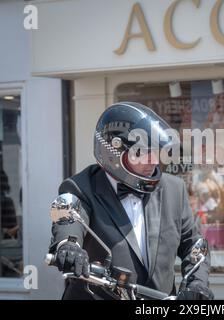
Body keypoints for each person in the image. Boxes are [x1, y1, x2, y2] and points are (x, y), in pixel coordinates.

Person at [48, 102, 213, 300]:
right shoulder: (81, 187)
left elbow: (193, 244)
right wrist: (69, 246)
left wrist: (197, 283)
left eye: (156, 151)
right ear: (113, 153)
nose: (153, 160)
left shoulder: (173, 189)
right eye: (141, 153)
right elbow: (69, 221)